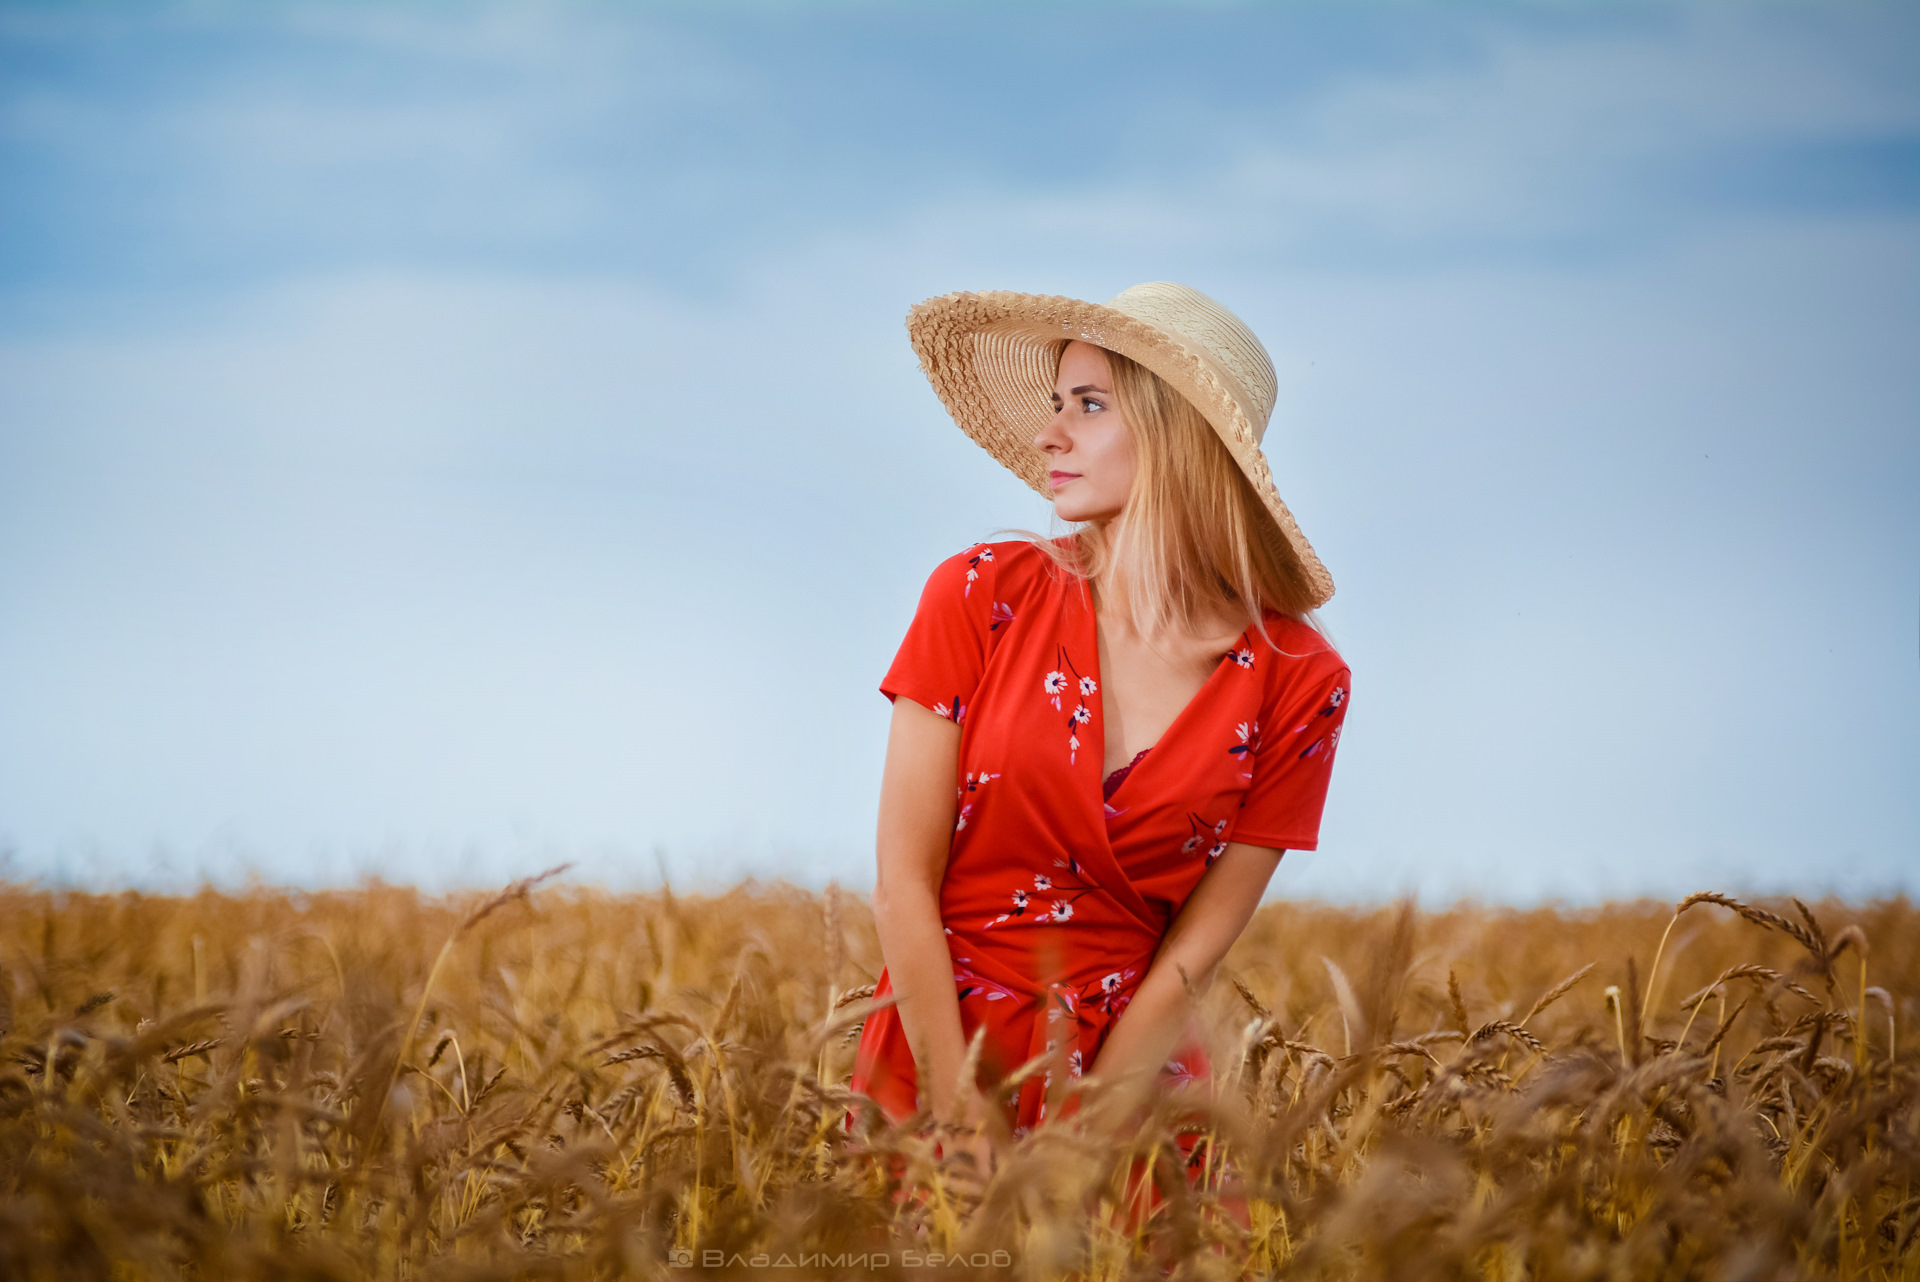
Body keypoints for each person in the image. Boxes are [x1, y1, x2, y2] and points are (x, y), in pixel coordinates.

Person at [849, 282, 1351, 1183]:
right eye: (1055, 405)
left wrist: (1087, 1137)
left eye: (1089, 406)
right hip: (938, 1056)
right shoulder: (981, 596)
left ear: (1178, 436)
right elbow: (902, 882)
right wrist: (958, 1112)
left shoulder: (1299, 680)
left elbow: (1198, 953)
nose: (1051, 435)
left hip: (1136, 1090)